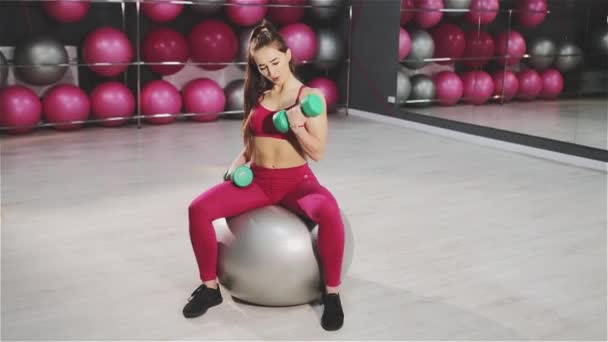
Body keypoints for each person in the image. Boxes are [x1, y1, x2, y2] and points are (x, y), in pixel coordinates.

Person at [183, 19, 346, 331]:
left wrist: (297, 125)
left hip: (297, 182)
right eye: (262, 67)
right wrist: (235, 165)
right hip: (257, 180)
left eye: (274, 62)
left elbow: (318, 152)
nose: (271, 72)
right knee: (198, 209)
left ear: (287, 54)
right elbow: (251, 142)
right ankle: (209, 288)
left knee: (329, 212)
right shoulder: (260, 95)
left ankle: (332, 295)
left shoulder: (309, 97)